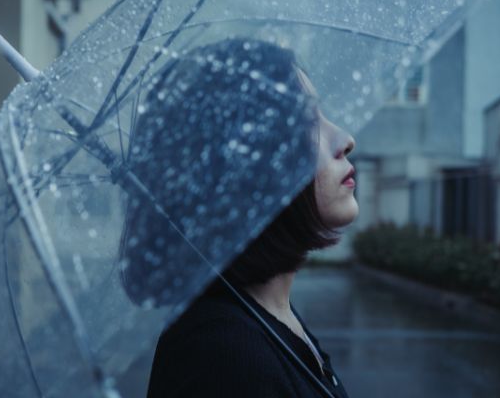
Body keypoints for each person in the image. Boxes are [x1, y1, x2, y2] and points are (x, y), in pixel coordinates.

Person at [121, 38, 356, 397]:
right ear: (246, 167)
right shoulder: (226, 359)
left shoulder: (267, 317)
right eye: (307, 121)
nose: (345, 139)